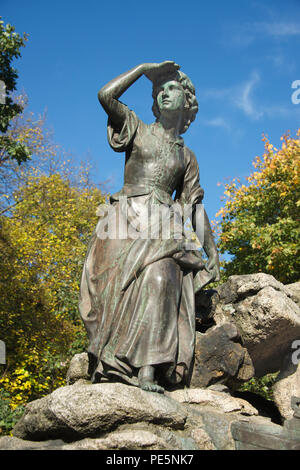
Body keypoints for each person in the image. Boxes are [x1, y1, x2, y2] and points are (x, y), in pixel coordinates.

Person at [79, 61, 220, 393]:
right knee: (114, 292)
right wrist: (143, 69)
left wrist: (212, 253)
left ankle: (147, 371)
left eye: (173, 89)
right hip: (123, 222)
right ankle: (111, 362)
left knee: (162, 277)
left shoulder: (188, 157)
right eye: (161, 90)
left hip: (163, 228)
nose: (165, 94)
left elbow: (194, 207)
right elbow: (105, 95)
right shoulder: (137, 128)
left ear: (187, 103)